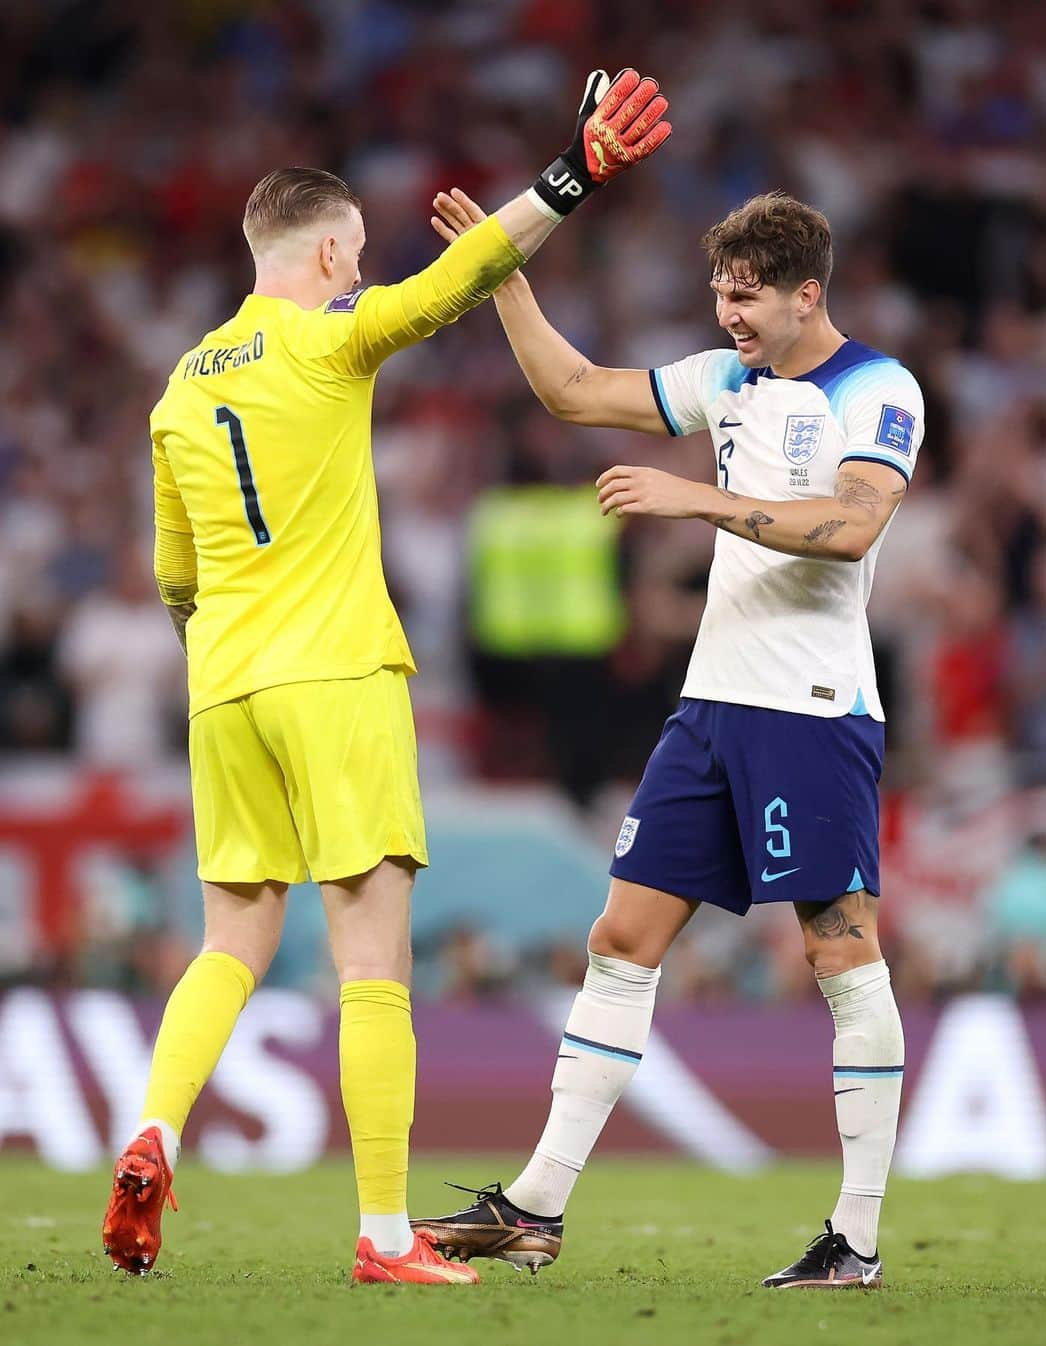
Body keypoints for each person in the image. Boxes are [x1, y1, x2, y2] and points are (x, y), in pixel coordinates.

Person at [100, 68, 671, 1287]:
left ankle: (152, 1127)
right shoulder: (328, 340)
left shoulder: (176, 391)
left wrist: (235, 637)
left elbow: (171, 578)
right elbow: (444, 292)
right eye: (352, 253)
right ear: (315, 250)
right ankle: (379, 1231)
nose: (359, 273)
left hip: (223, 688)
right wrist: (571, 178)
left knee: (231, 940)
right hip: (339, 672)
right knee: (373, 961)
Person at [414, 189, 923, 1290]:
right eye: (718, 294)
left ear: (807, 293)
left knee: (840, 952)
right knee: (621, 936)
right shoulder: (728, 378)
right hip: (711, 711)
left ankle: (859, 1236)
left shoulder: (878, 388)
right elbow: (573, 388)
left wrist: (697, 500)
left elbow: (851, 525)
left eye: (746, 297)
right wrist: (504, 276)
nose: (728, 316)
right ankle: (537, 1205)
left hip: (813, 708)